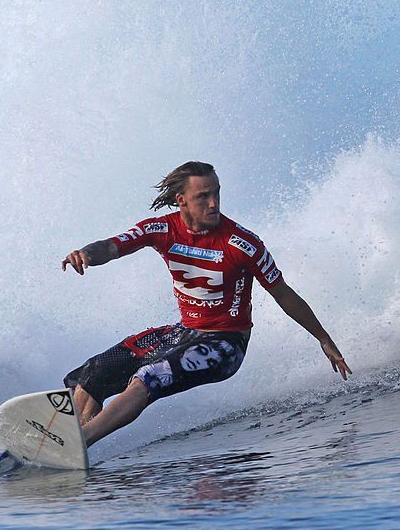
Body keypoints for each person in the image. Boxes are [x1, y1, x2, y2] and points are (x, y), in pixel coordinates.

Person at [61, 161, 351, 447]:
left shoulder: (242, 244)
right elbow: (113, 246)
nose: (213, 204)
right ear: (181, 201)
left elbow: (283, 294)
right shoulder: (161, 229)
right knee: (94, 372)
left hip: (225, 344)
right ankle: (62, 440)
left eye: (217, 193)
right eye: (203, 196)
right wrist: (85, 253)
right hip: (185, 331)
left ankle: (80, 441)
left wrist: (323, 338)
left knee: (150, 376)